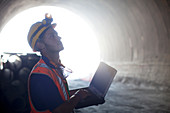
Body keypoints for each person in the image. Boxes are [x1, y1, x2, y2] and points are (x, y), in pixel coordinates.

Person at [27, 13, 89, 113]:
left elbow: (57, 96)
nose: (59, 38)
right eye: (52, 36)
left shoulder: (53, 67)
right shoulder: (40, 75)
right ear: (40, 44)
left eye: (56, 34)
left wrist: (82, 93)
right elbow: (60, 110)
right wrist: (78, 97)